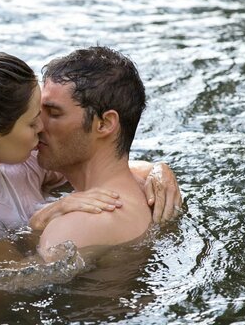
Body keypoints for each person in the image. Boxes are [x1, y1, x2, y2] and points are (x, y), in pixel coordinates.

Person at [0, 51, 181, 243]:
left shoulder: (22, 165)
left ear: (105, 124)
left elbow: (113, 167)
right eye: (33, 121)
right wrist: (42, 221)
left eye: (51, 113)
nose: (41, 126)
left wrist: (159, 171)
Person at [36, 46, 161, 261]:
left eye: (54, 114)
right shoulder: (149, 194)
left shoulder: (75, 227)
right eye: (39, 112)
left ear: (104, 124)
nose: (37, 125)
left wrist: (35, 226)